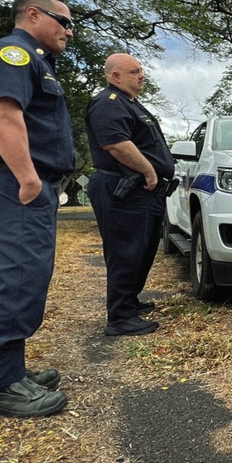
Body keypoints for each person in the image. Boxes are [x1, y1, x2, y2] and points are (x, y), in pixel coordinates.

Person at [0, 0, 75, 417]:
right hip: (16, 185)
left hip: (21, 184)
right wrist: (28, 178)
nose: (69, 30)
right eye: (63, 21)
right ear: (32, 14)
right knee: (18, 282)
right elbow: (3, 116)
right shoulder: (13, 54)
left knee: (21, 279)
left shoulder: (35, 60)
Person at [86, 53, 176, 337]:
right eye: (135, 71)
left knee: (142, 250)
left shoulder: (131, 104)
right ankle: (120, 316)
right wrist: (149, 171)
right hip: (124, 189)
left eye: (141, 71)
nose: (142, 76)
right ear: (115, 76)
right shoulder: (108, 103)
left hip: (141, 192)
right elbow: (116, 144)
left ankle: (130, 301)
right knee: (125, 251)